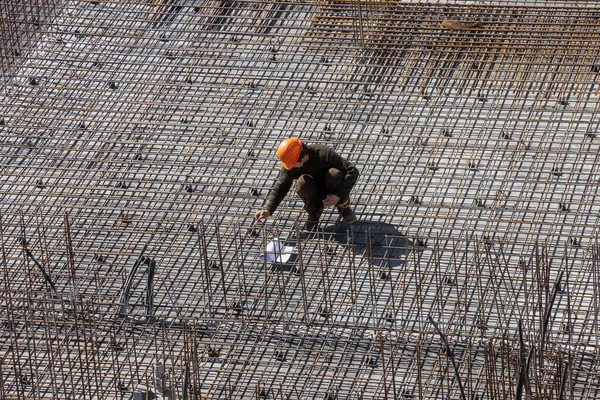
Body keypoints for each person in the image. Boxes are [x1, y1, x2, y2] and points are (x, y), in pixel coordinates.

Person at [254, 137, 359, 231]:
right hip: (313, 189)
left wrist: (337, 196)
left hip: (331, 185)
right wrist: (268, 210)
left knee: (335, 174)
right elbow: (281, 187)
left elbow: (352, 170)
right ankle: (314, 213)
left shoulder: (323, 153)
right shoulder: (290, 165)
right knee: (302, 182)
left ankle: (343, 208)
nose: (290, 167)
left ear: (302, 157)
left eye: (293, 164)